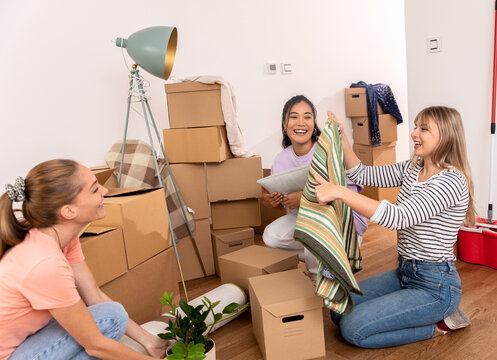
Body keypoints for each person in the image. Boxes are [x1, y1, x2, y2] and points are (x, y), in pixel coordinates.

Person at [314, 106, 476, 348]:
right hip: (405, 271)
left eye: (423, 129)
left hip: (436, 285)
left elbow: (398, 217)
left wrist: (340, 192)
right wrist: (344, 140)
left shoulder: (450, 182)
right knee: (338, 309)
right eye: (415, 126)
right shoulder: (414, 167)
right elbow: (362, 174)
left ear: (446, 135)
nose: (413, 133)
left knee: (353, 329)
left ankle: (440, 325)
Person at [0, 159, 169, 359]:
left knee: (112, 314)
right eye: (95, 189)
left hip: (26, 341)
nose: (105, 191)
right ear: (68, 211)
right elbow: (95, 345)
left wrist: (150, 341)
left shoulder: (61, 238)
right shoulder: (45, 263)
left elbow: (94, 296)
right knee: (101, 339)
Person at [261, 95, 368, 279]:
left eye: (307, 117)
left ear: (314, 123)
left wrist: (305, 196)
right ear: (285, 125)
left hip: (344, 220)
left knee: (312, 229)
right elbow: (285, 204)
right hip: (307, 217)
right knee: (271, 236)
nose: (300, 122)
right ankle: (331, 260)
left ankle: (318, 278)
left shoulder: (328, 149)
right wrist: (273, 202)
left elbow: (350, 193)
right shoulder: (281, 159)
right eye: (294, 117)